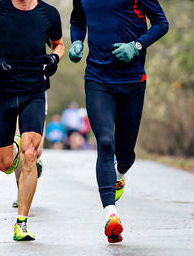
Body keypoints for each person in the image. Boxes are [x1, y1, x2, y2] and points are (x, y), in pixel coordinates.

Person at [69, 0, 169, 243]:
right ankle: (111, 215)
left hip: (132, 80)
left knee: (126, 154)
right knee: (104, 142)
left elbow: (161, 23)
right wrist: (77, 41)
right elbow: (77, 19)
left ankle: (120, 172)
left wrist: (136, 45)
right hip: (97, 78)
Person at [0, 0, 64, 241]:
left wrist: (54, 58)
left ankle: (22, 223)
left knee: (30, 155)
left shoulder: (48, 13)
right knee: (4, 164)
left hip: (34, 91)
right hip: (2, 94)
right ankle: (17, 145)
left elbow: (59, 44)